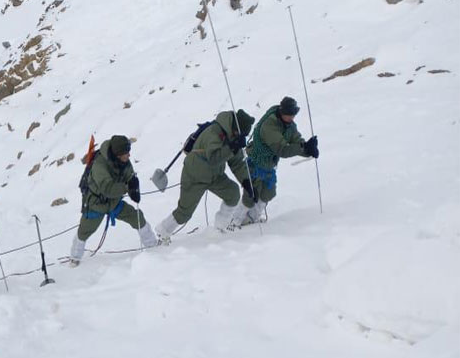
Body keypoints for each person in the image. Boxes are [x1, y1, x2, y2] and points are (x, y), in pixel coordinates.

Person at [156, 110, 256, 240]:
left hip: (215, 176)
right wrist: (232, 147)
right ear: (235, 128)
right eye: (240, 134)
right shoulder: (214, 132)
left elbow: (236, 163)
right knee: (184, 213)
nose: (241, 137)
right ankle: (162, 232)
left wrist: (246, 182)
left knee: (233, 193)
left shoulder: (234, 137)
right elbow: (213, 158)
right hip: (195, 175)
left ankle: (220, 228)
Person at [69, 135, 157, 266]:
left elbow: (129, 175)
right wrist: (127, 188)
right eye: (125, 153)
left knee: (136, 216)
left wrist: (133, 185)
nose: (128, 155)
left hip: (114, 202)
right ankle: (75, 259)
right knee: (84, 231)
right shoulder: (100, 165)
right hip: (96, 204)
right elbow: (107, 188)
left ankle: (153, 246)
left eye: (128, 152)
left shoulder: (124, 161)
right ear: (117, 154)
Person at [234, 96, 319, 225]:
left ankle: (252, 219)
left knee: (268, 193)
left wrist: (308, 148)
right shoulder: (270, 125)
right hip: (255, 163)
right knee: (251, 195)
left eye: (294, 114)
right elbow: (282, 150)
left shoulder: (289, 125)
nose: (292, 117)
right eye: (289, 114)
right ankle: (234, 222)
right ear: (282, 112)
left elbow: (296, 140)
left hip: (269, 165)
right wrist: (302, 147)